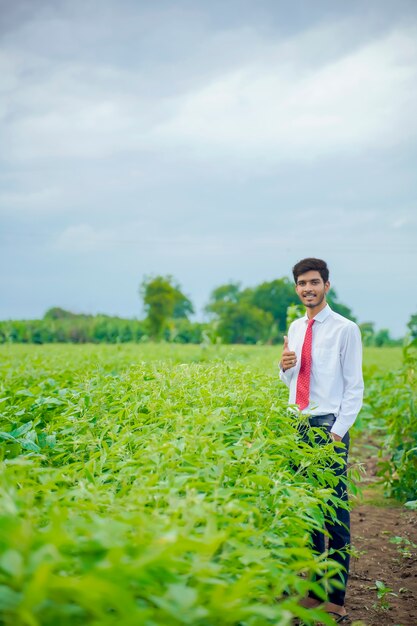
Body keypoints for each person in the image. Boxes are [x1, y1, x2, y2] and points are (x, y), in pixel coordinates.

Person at [279, 257, 364, 623]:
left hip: (328, 426)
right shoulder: (297, 328)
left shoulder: (346, 329)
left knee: (335, 514)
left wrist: (335, 433)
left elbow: (354, 388)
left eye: (314, 282)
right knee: (309, 514)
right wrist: (283, 368)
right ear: (296, 288)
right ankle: (314, 593)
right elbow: (294, 381)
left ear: (326, 286)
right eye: (302, 283)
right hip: (297, 425)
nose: (308, 289)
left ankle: (337, 598)